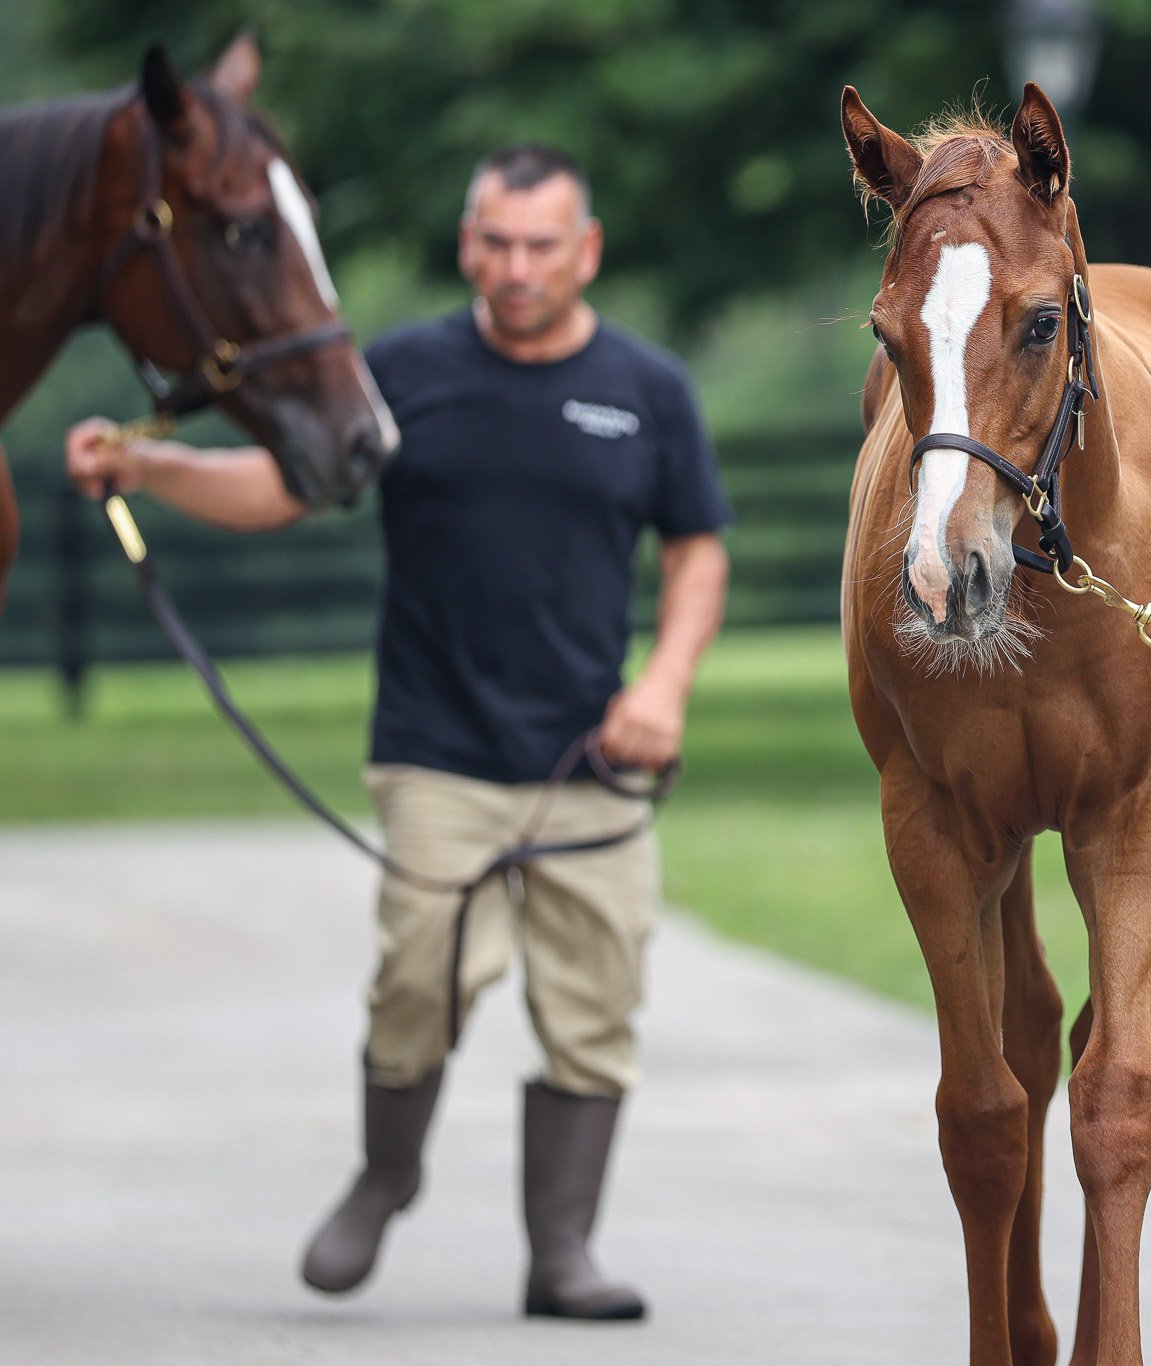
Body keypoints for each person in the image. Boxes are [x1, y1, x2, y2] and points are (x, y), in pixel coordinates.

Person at [67, 143, 731, 1322]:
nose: (515, 267)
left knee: (596, 1008)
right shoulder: (404, 371)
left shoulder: (651, 388)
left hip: (595, 759)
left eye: (540, 245)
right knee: (417, 981)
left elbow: (695, 552)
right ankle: (385, 1176)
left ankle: (562, 1255)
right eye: (495, 242)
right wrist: (146, 465)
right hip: (436, 749)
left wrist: (666, 684)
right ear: (468, 243)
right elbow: (283, 488)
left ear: (585, 251)